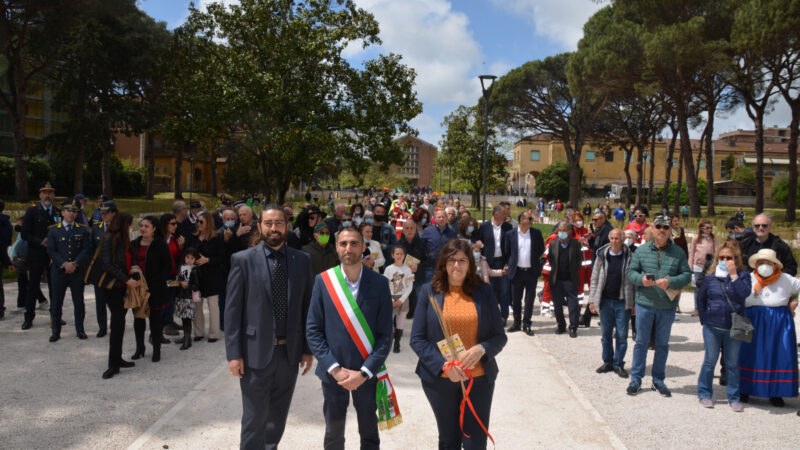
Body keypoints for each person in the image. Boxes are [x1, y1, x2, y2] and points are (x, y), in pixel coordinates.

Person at [225, 205, 314, 450]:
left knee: (277, 419)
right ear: (259, 226)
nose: (273, 228)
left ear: (286, 226)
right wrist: (234, 354)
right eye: (268, 223)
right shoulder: (242, 260)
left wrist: (307, 349)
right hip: (254, 354)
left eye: (278, 223)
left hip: (289, 354)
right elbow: (232, 311)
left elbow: (307, 309)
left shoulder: (302, 261)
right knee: (254, 419)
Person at [410, 239, 507, 449]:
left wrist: (482, 348)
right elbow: (417, 339)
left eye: (462, 260)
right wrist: (444, 365)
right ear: (443, 263)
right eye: (452, 260)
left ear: (470, 264)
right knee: (449, 440)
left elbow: (500, 337)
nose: (457, 265)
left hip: (479, 379)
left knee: (475, 442)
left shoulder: (484, 292)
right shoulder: (429, 292)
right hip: (441, 379)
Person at [306, 226, 393, 450]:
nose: (349, 248)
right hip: (334, 375)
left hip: (367, 374)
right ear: (336, 247)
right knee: (333, 434)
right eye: (343, 243)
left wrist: (364, 372)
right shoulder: (323, 281)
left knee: (369, 433)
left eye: (354, 243)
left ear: (364, 247)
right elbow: (313, 331)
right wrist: (335, 369)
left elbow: (385, 336)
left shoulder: (380, 283)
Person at [625, 215, 691, 397]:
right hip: (645, 303)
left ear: (670, 231)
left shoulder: (678, 252)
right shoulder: (641, 250)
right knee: (641, 343)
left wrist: (671, 282)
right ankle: (636, 379)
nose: (662, 230)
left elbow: (686, 275)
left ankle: (658, 380)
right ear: (652, 229)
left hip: (666, 305)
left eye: (666, 227)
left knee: (662, 344)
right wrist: (641, 279)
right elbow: (631, 272)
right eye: (658, 226)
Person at [738, 248, 800, 407]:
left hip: (778, 322)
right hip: (751, 318)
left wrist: (794, 302)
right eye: (761, 262)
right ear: (755, 264)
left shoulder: (787, 279)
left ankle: (776, 392)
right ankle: (744, 389)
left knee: (778, 355)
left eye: (768, 263)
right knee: (748, 354)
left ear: (775, 264)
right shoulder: (748, 278)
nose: (764, 265)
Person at [695, 239, 750, 412]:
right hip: (712, 326)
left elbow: (744, 293)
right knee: (709, 361)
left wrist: (733, 276)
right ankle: (704, 393)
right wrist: (705, 319)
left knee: (732, 364)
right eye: (722, 258)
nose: (725, 261)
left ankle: (734, 397)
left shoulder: (743, 276)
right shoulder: (710, 278)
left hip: (733, 326)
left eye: (729, 258)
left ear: (736, 259)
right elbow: (701, 299)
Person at [589, 229, 634, 378]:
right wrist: (592, 301)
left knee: (621, 335)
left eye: (617, 238)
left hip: (623, 301)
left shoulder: (630, 256)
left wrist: (633, 303)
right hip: (605, 301)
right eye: (612, 238)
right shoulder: (602, 255)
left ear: (622, 240)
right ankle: (607, 361)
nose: (614, 241)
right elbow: (594, 279)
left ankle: (618, 364)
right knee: (605, 335)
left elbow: (634, 282)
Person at [99, 212, 138, 379]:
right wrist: (126, 279)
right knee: (116, 323)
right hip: (112, 287)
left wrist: (133, 274)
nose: (131, 227)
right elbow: (106, 265)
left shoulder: (124, 240)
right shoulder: (109, 238)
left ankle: (117, 358)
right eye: (129, 224)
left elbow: (128, 261)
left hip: (123, 286)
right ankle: (112, 364)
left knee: (120, 323)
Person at [46, 198, 91, 342]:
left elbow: (85, 249)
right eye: (69, 211)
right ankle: (55, 331)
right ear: (62, 212)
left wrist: (75, 263)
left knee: (78, 301)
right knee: (56, 302)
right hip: (59, 270)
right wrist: (64, 263)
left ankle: (80, 329)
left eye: (74, 211)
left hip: (76, 270)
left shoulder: (82, 229)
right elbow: (51, 250)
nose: (72, 214)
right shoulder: (54, 230)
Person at [129, 216, 173, 362]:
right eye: (141, 226)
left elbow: (168, 266)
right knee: (138, 319)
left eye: (146, 226)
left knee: (155, 320)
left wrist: (157, 281)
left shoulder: (159, 244)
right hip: (137, 287)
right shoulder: (134, 244)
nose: (143, 228)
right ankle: (139, 348)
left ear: (154, 228)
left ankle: (156, 349)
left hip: (155, 287)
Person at [21, 181, 60, 330]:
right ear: (40, 194)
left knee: (54, 287)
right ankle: (29, 318)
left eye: (50, 192)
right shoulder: (32, 211)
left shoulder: (57, 211)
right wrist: (40, 241)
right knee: (33, 286)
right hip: (36, 253)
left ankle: (56, 316)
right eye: (45, 192)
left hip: (52, 255)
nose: (48, 195)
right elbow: (25, 233)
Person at [504, 211, 544, 336]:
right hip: (517, 272)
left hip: (531, 272)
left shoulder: (536, 233)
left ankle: (527, 324)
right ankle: (516, 323)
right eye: (529, 218)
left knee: (529, 300)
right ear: (521, 220)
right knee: (516, 299)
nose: (532, 220)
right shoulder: (510, 234)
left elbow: (540, 249)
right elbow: (507, 251)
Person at [189, 211, 226, 343]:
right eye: (197, 221)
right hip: (197, 277)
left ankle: (214, 333)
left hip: (212, 276)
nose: (198, 224)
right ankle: (198, 332)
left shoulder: (217, 238)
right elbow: (188, 252)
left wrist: (208, 260)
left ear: (208, 223)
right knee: (197, 304)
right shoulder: (193, 237)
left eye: (201, 222)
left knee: (213, 306)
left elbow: (222, 258)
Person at [548, 222, 582, 337]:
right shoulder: (552, 244)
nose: (561, 233)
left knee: (573, 304)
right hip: (556, 279)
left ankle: (573, 327)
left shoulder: (575, 244)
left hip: (570, 280)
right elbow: (551, 260)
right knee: (557, 305)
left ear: (569, 231)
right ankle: (561, 326)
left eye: (564, 230)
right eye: (559, 230)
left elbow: (578, 261)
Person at [478, 206, 512, 324]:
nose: (506, 216)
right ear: (496, 214)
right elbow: (480, 245)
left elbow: (511, 247)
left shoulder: (508, 227)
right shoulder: (484, 227)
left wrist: (507, 264)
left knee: (504, 291)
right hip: (488, 263)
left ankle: (504, 317)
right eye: (504, 214)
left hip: (503, 262)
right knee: (489, 290)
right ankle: (490, 317)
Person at [384, 245, 413, 353]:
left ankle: (397, 343)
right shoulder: (388, 269)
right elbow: (385, 285)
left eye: (401, 254)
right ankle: (389, 342)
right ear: (393, 255)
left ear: (404, 255)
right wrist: (391, 300)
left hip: (403, 298)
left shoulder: (407, 269)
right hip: (390, 298)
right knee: (389, 322)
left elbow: (410, 286)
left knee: (400, 322)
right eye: (397, 254)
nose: (399, 256)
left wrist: (402, 299)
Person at [400, 219, 429, 320]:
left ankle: (418, 315)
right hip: (403, 277)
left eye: (411, 228)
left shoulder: (422, 244)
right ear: (403, 230)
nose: (409, 230)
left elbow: (428, 261)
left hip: (418, 276)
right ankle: (408, 312)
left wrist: (419, 267)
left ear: (415, 230)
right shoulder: (399, 244)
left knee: (418, 297)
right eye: (407, 228)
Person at [160, 213, 183, 338]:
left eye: (176, 224)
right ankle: (163, 324)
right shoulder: (160, 240)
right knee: (165, 299)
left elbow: (175, 255)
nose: (175, 226)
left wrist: (180, 247)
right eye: (173, 224)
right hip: (164, 275)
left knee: (172, 298)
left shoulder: (173, 238)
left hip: (173, 273)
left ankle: (169, 320)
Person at [689, 220, 718, 316]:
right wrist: (690, 267)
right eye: (707, 227)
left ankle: (707, 307)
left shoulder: (713, 239)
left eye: (710, 228)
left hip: (709, 267)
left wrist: (716, 265)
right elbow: (692, 254)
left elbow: (716, 252)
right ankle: (697, 308)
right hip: (697, 266)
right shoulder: (695, 239)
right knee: (697, 288)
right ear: (701, 228)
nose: (709, 230)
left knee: (709, 288)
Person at [174, 248, 199, 350]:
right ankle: (185, 336)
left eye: (191, 258)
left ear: (195, 259)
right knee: (183, 318)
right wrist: (178, 282)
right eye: (187, 257)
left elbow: (196, 286)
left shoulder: (194, 270)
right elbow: (179, 281)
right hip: (181, 297)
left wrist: (187, 285)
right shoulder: (182, 267)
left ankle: (188, 340)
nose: (189, 260)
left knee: (187, 319)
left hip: (188, 298)